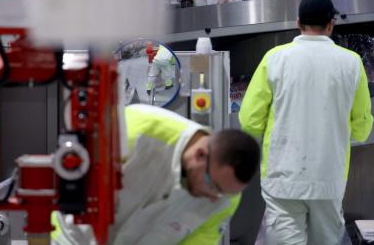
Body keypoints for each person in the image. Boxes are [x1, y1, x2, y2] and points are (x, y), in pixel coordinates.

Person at [239, 0, 374, 245]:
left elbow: (250, 121)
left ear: (298, 22)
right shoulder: (352, 63)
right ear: (331, 24)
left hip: (283, 178)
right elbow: (362, 126)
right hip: (328, 177)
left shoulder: (274, 58)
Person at [53, 104, 260, 245]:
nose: (214, 198)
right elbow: (70, 183)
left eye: (223, 193)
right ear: (200, 154)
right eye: (211, 184)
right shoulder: (137, 130)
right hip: (70, 239)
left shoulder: (226, 196)